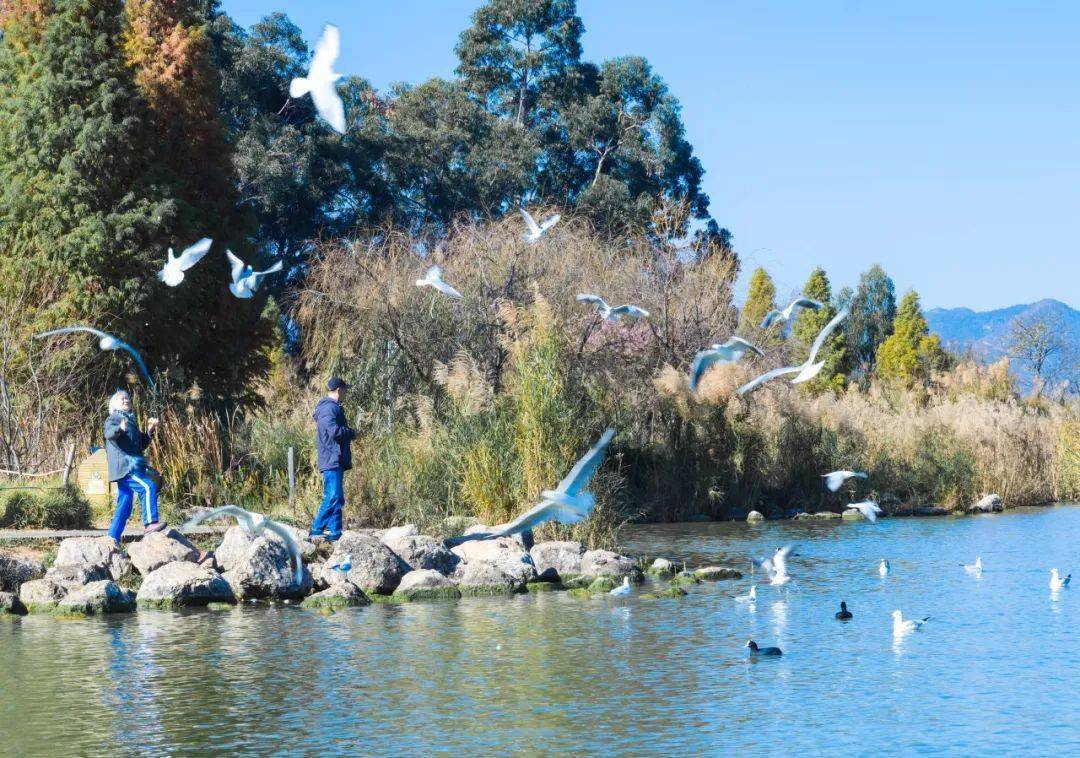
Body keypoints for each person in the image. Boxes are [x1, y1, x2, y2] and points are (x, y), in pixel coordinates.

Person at [104, 390, 164, 540]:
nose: (126, 400)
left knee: (125, 504)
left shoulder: (130, 420)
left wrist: (149, 432)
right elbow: (109, 434)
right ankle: (150, 524)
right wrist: (120, 429)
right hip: (125, 467)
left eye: (127, 399)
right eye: (122, 399)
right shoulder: (113, 419)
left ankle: (112, 538)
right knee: (147, 487)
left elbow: (139, 445)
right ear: (114, 404)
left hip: (133, 466)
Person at [311, 377, 356, 541]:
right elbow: (334, 431)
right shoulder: (329, 408)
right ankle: (316, 530)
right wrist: (352, 433)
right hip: (331, 458)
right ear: (338, 390)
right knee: (333, 496)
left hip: (334, 458)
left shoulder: (330, 408)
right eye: (345, 389)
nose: (346, 392)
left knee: (337, 497)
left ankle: (335, 533)